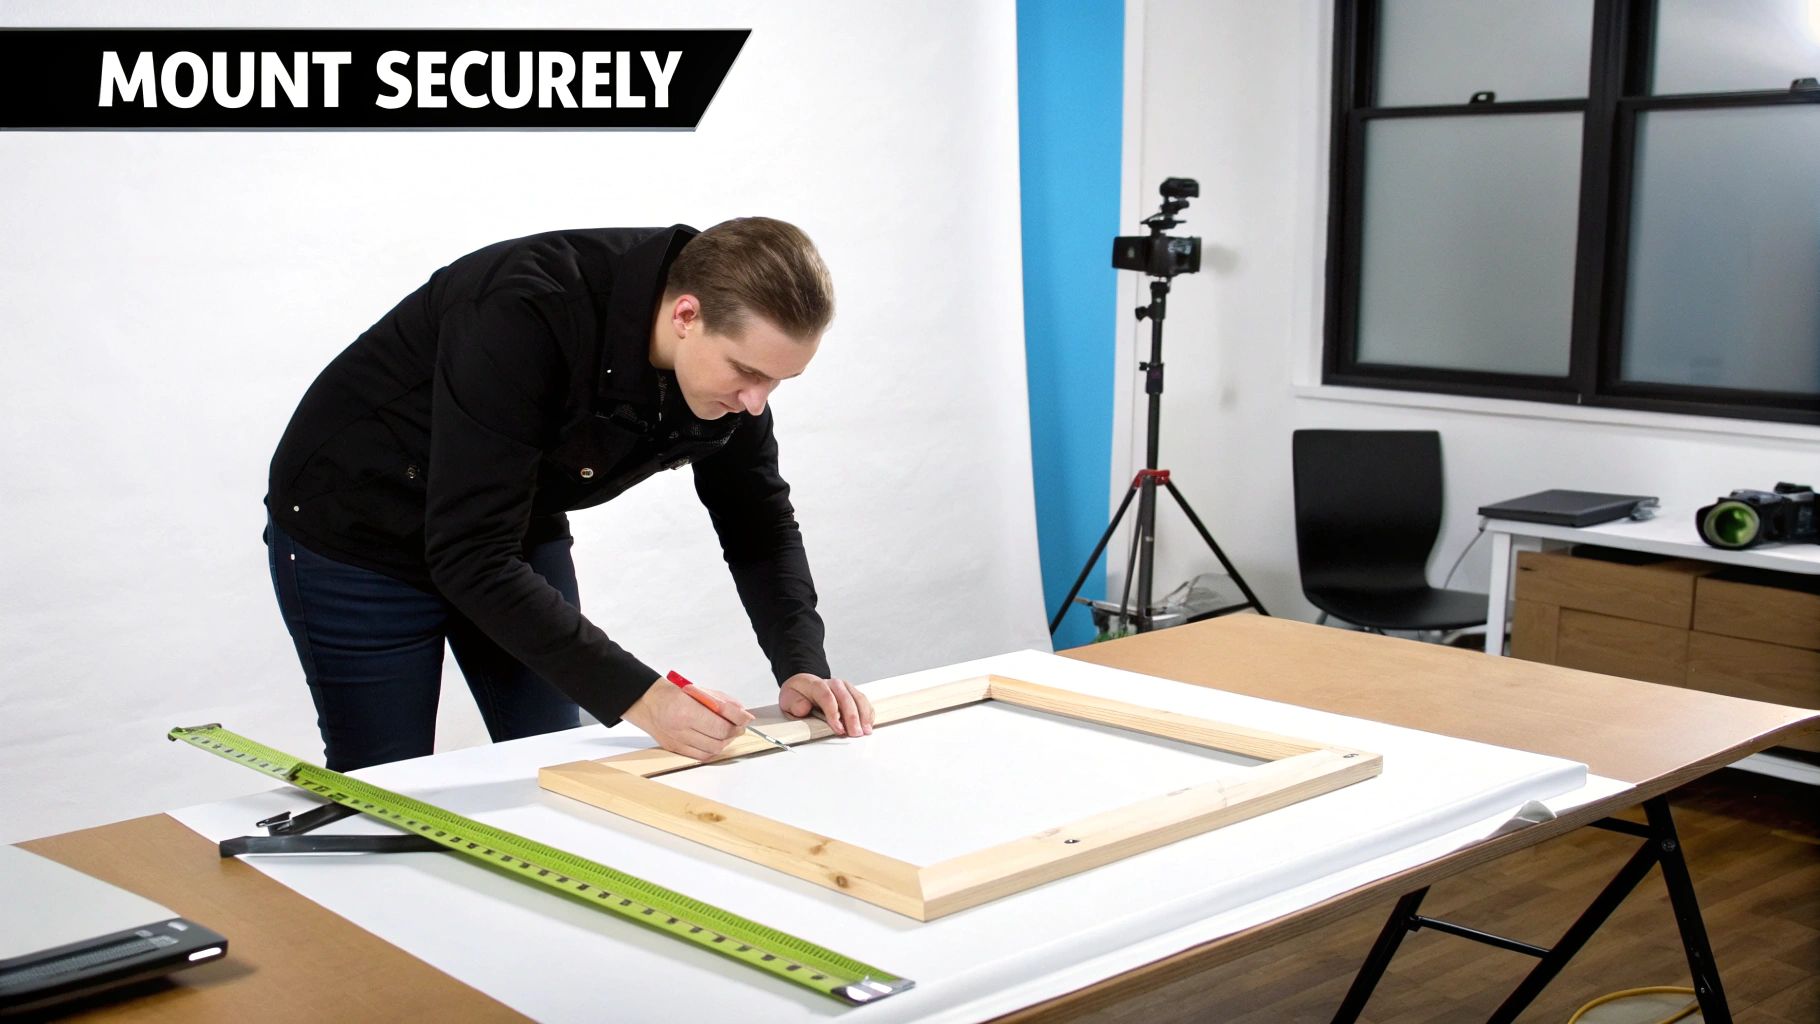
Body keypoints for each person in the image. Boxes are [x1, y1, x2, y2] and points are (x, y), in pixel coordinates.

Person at [263, 218, 872, 771]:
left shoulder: (735, 373)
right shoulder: (525, 307)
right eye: (747, 372)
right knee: (387, 787)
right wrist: (645, 698)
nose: (756, 401)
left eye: (779, 380)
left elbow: (757, 520)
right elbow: (468, 555)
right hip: (355, 530)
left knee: (556, 761)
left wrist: (801, 664)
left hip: (507, 522)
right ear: (687, 316)